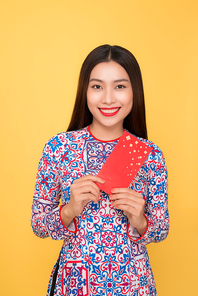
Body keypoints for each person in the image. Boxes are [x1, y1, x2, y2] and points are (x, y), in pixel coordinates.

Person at [31, 44, 169, 296]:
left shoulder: (150, 155)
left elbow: (161, 229)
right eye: (97, 86)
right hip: (74, 285)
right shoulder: (59, 148)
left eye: (119, 86)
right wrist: (70, 209)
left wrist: (140, 219)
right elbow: (39, 224)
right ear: (84, 91)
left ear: (134, 91)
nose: (108, 98)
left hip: (134, 286)